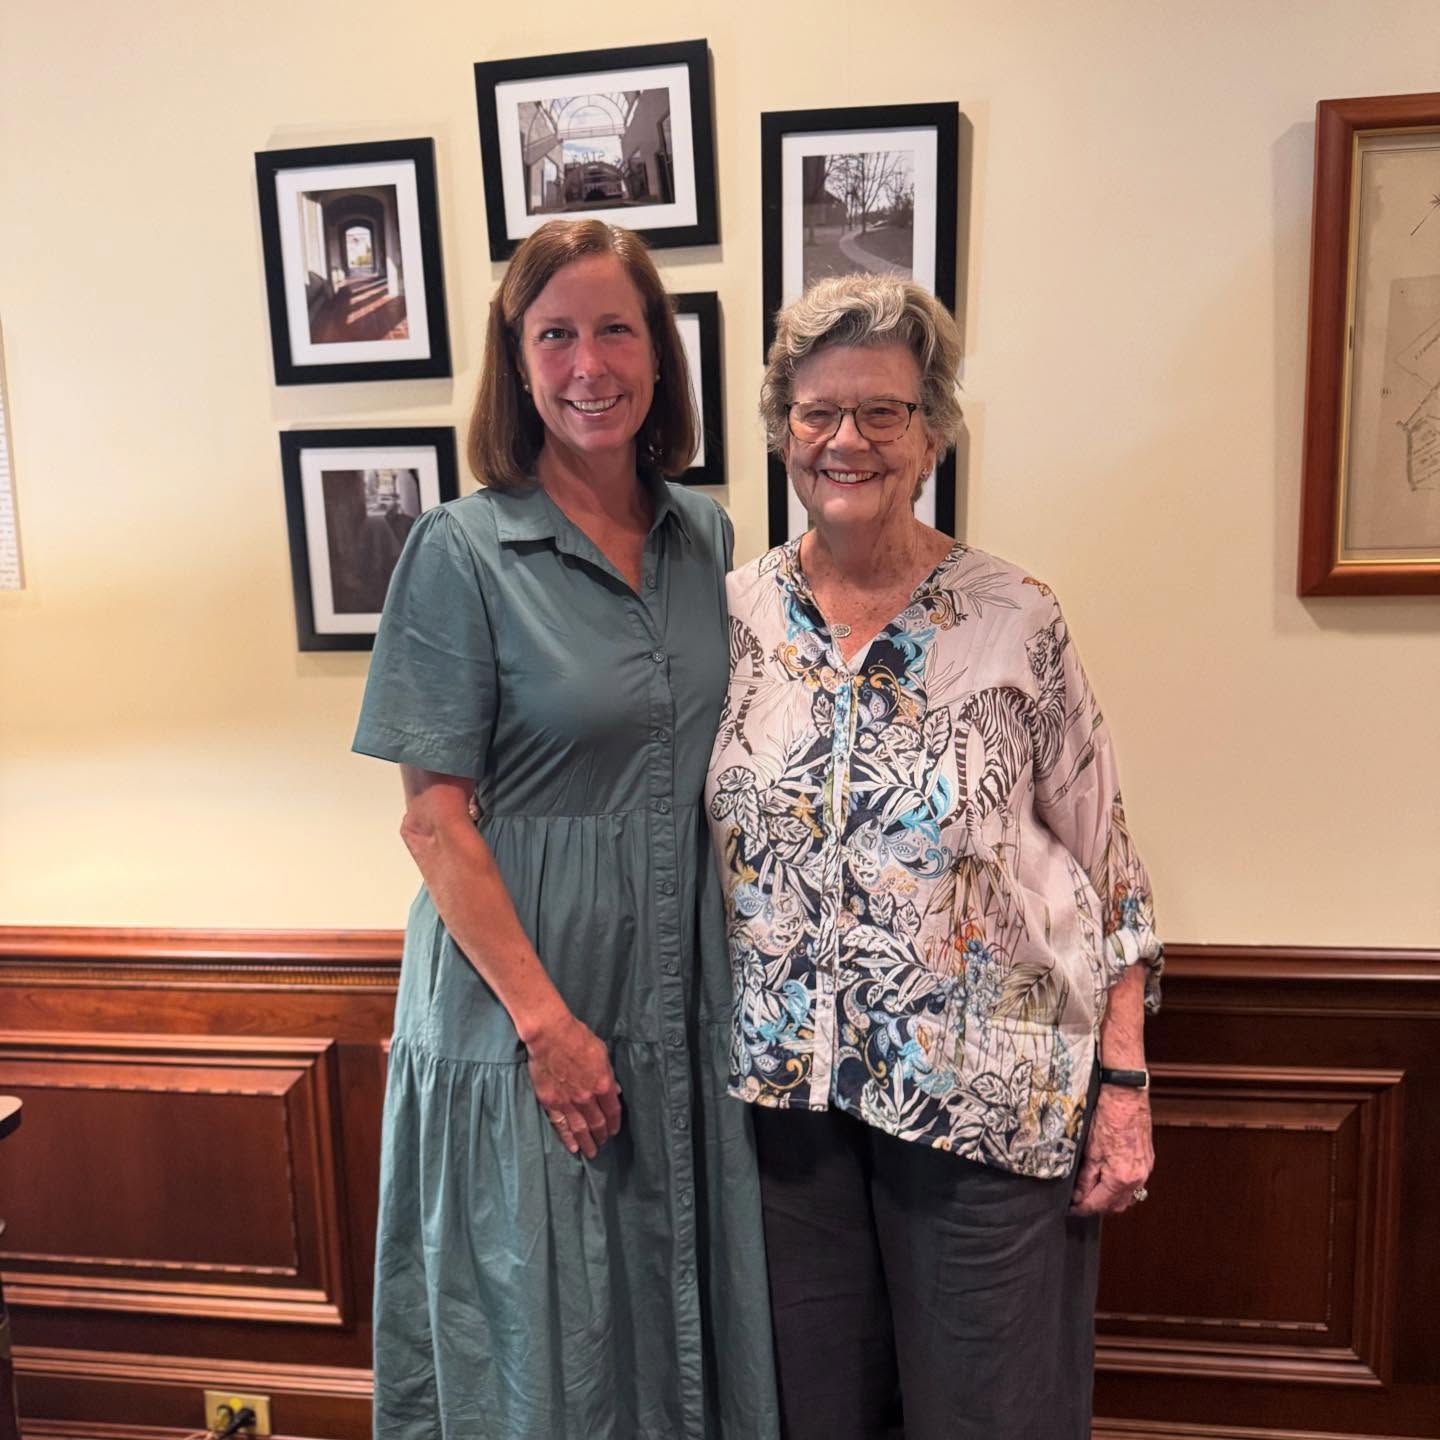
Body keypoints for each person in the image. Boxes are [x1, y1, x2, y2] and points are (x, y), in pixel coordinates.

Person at [705, 273, 1163, 1440]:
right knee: (810, 1416)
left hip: (987, 1107)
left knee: (991, 1415)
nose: (846, 440)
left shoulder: (1015, 618)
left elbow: (1112, 875)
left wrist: (1124, 1088)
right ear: (782, 428)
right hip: (786, 1112)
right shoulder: (729, 617)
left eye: (882, 412)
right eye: (817, 413)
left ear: (932, 431)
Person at [353, 218, 778, 1440]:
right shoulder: (462, 550)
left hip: (676, 1002)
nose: (587, 363)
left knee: (665, 1322)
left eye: (614, 328)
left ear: (659, 354)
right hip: (522, 1008)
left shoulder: (709, 540)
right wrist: (548, 1028)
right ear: (518, 361)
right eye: (555, 335)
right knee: (541, 1342)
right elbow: (434, 820)